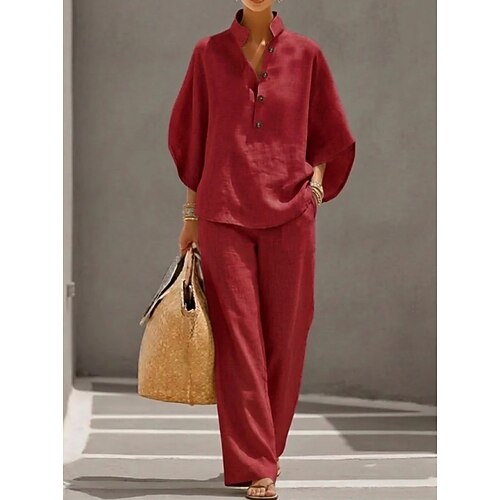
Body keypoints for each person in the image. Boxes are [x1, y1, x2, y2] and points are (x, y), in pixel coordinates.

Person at [167, 1, 356, 498]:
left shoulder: (307, 55)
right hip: (223, 212)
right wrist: (190, 216)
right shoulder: (207, 54)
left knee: (288, 336)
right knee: (239, 342)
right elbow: (194, 138)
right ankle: (258, 464)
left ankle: (267, 450)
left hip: (291, 213)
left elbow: (329, 134)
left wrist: (315, 190)